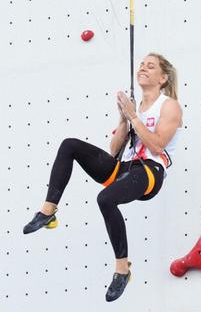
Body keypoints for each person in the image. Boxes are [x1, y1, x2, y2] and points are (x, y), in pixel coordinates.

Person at [23, 53, 183, 301]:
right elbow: (114, 149)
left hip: (150, 172)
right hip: (127, 167)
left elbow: (158, 146)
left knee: (105, 199)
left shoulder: (168, 105)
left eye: (150, 66)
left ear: (162, 79)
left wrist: (133, 117)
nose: (142, 68)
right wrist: (123, 118)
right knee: (70, 145)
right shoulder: (136, 107)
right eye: (142, 64)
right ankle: (48, 210)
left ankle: (122, 269)